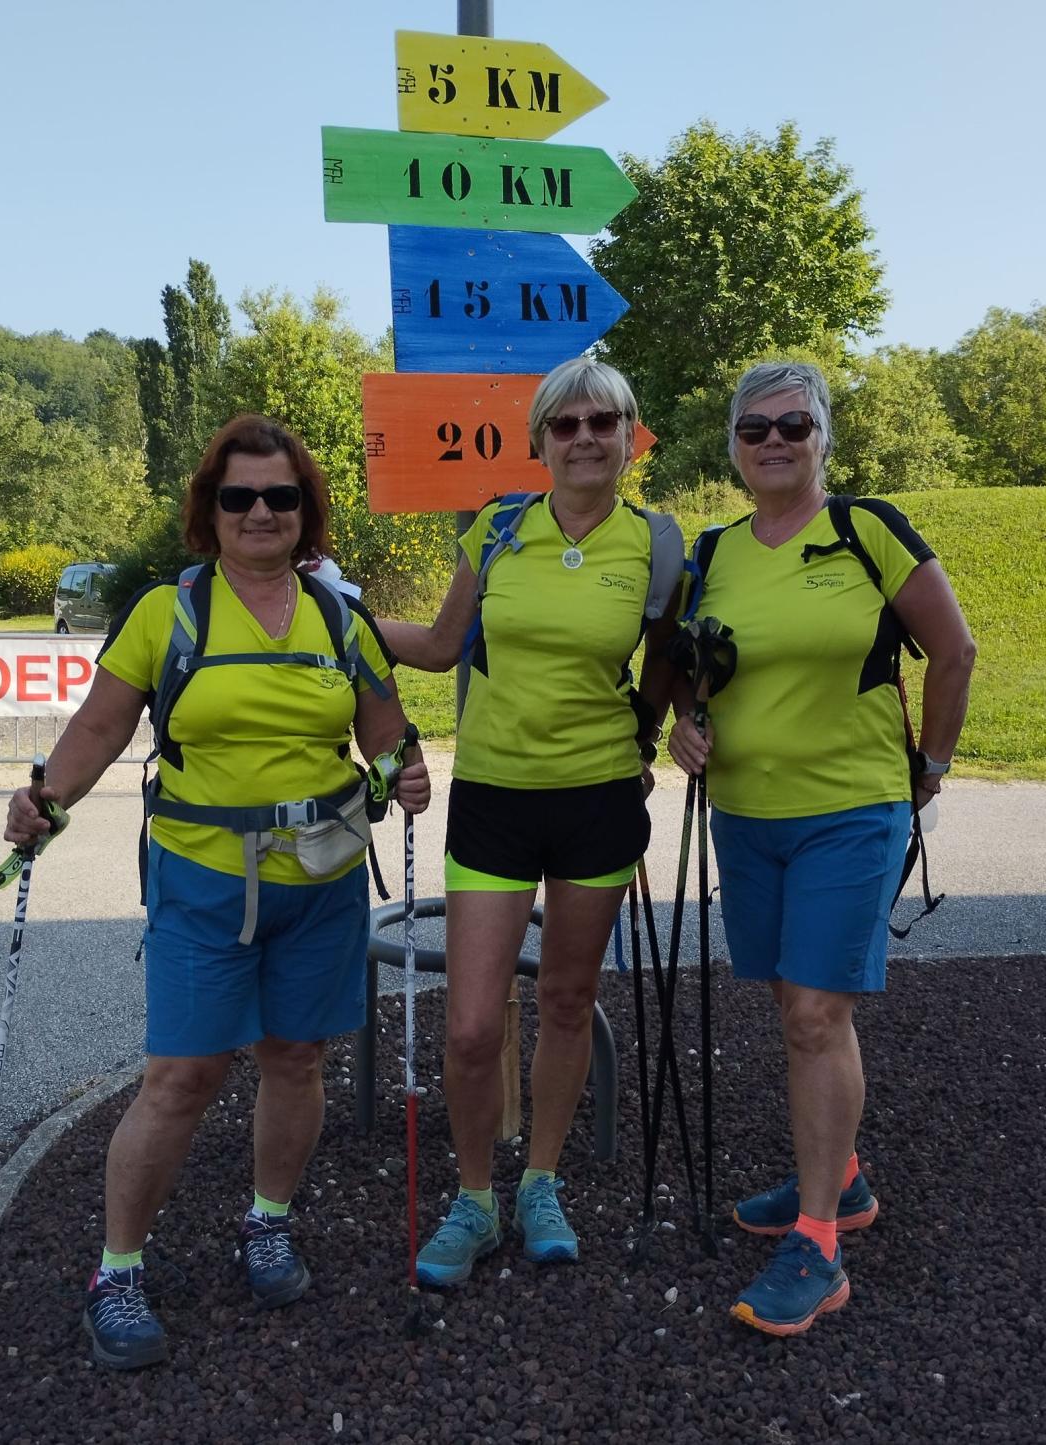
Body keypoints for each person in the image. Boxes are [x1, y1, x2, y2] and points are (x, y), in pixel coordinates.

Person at [3, 414, 430, 1368]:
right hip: (202, 880)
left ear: (305, 510)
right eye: (239, 496)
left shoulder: (339, 618)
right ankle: (117, 1269)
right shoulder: (169, 611)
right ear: (211, 508)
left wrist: (407, 770)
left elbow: (388, 734)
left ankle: (267, 1221)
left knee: (296, 1059)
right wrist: (45, 798)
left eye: (281, 496)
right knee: (182, 1077)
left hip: (320, 877)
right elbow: (98, 727)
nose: (261, 512)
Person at [667, 360, 975, 1337]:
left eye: (792, 425)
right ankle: (840, 1179)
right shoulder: (711, 552)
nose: (773, 442)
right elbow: (687, 669)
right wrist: (684, 725)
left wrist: (931, 764)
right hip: (747, 814)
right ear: (733, 444)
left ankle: (819, 1245)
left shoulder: (865, 531)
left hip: (854, 808)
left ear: (821, 435)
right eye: (755, 428)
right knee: (794, 1001)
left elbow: (954, 651)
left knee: (813, 1011)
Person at [378, 356, 681, 1286]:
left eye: (606, 421)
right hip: (497, 797)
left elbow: (666, 664)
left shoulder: (662, 544)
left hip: (597, 799)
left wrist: (654, 736)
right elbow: (436, 645)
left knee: (563, 999)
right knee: (471, 1024)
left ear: (631, 435)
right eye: (567, 423)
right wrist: (333, 611)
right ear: (541, 438)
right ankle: (474, 1200)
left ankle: (540, 1181)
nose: (587, 436)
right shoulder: (499, 530)